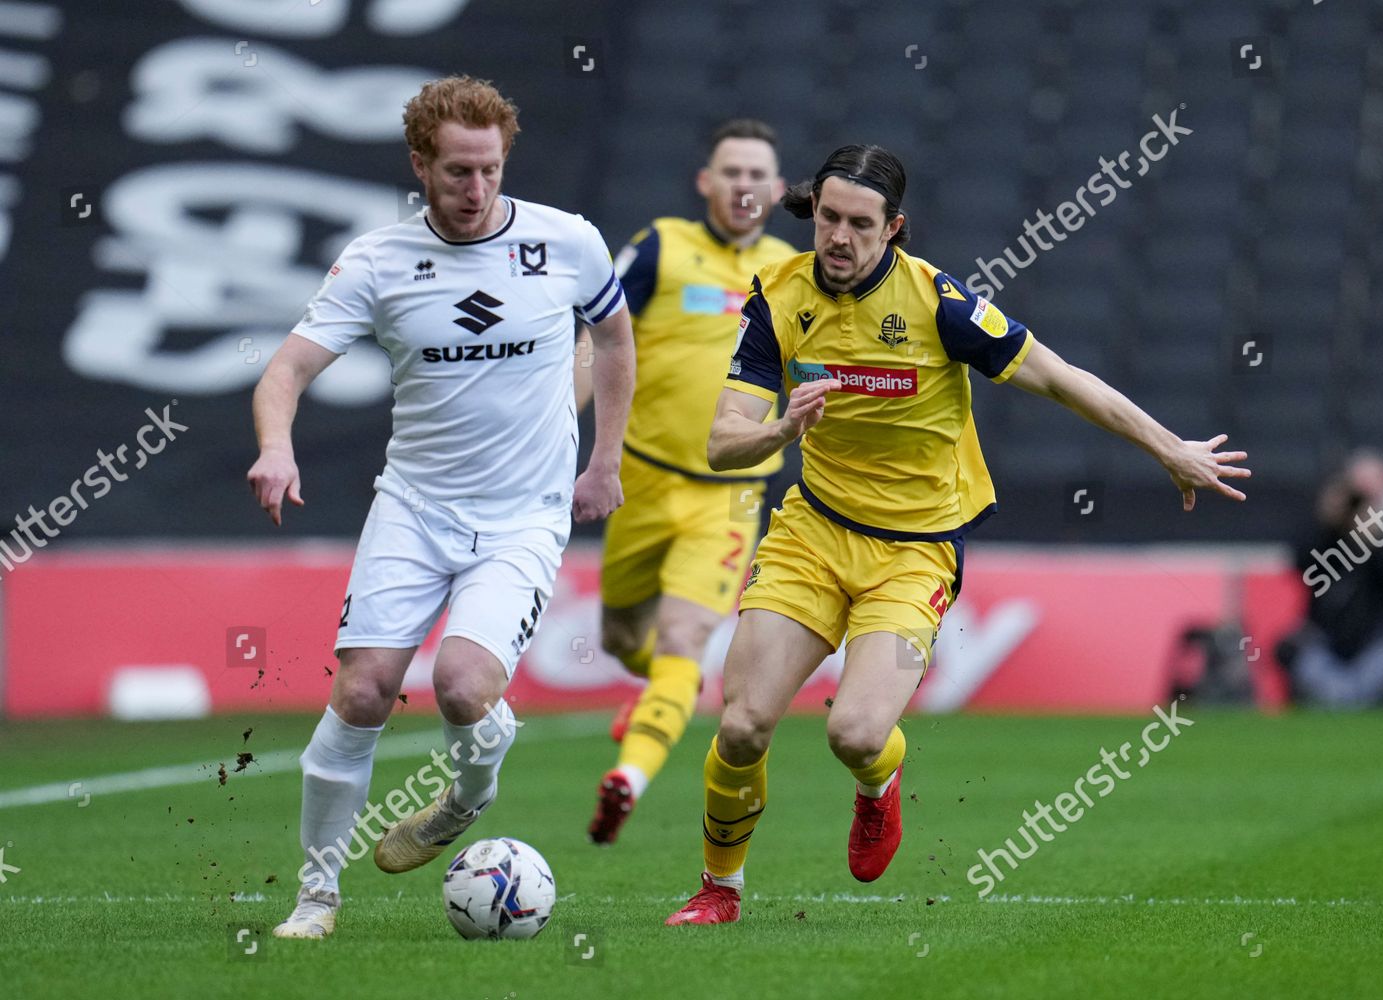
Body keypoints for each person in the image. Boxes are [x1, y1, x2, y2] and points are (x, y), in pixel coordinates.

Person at [664, 144, 1250, 925]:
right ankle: (718, 890)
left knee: (855, 731)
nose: (837, 238)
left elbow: (1060, 377)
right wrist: (781, 430)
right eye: (828, 218)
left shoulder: (940, 304)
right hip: (813, 532)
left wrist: (1170, 449)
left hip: (914, 550)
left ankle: (879, 784)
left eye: (859, 225)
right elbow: (720, 441)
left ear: (893, 228)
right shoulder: (778, 299)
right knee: (740, 725)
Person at [246, 75, 634, 939]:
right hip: (415, 508)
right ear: (420, 165)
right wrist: (277, 445)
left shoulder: (566, 242)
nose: (476, 190)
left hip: (523, 514)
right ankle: (316, 898)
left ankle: (467, 795)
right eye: (457, 172)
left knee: (462, 686)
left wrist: (604, 460)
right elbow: (285, 371)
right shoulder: (377, 262)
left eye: (490, 170)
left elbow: (612, 336)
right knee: (363, 691)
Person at [575, 119, 794, 844]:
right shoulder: (661, 246)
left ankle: (628, 778)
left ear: (779, 189)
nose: (743, 186)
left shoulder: (793, 271)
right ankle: (655, 700)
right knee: (618, 637)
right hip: (640, 478)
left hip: (730, 494)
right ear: (706, 182)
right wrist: (553, 429)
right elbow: (596, 341)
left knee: (683, 639)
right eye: (730, 172)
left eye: (757, 174)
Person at [1280, 450, 1383, 706]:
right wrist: (1328, 521)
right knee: (1292, 649)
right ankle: (1339, 698)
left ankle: (1350, 699)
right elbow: (1300, 564)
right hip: (1327, 642)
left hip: (1377, 642)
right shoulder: (1327, 535)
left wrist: (1375, 535)